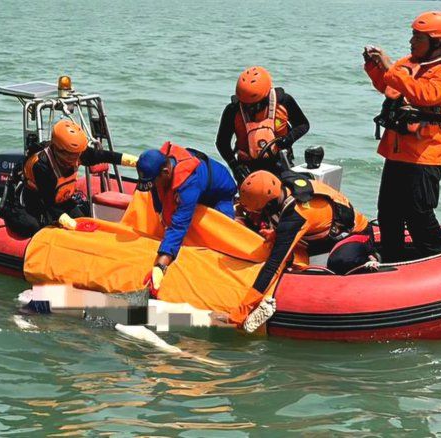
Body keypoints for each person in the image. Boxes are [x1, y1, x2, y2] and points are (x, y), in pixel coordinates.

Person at [363, 11, 441, 262]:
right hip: (397, 150)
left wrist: (390, 67)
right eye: (412, 35)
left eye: (417, 37)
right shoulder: (409, 62)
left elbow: (425, 95)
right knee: (388, 210)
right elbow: (390, 87)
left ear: (437, 41)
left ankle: (439, 259)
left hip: (424, 154)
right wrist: (375, 67)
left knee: (418, 211)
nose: (411, 41)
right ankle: (392, 256)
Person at [233, 171, 372, 332]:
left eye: (259, 211)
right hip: (320, 232)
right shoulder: (283, 186)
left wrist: (245, 307)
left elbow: (274, 265)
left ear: (270, 204)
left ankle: (367, 258)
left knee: (339, 262)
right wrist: (277, 234)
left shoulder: (296, 216)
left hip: (356, 234)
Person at [137, 141, 237, 294]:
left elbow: (178, 227)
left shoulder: (189, 184)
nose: (153, 186)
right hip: (197, 187)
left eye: (154, 182)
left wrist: (160, 266)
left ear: (165, 172)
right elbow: (157, 199)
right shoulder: (159, 171)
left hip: (220, 193)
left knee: (221, 240)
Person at [8, 119, 138, 237]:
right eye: (71, 155)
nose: (76, 160)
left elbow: (104, 155)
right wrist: (70, 224)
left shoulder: (77, 153)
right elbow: (49, 204)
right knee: (36, 227)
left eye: (78, 154)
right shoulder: (42, 166)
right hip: (37, 200)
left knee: (82, 218)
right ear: (58, 150)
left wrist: (135, 162)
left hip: (63, 198)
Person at [215, 66, 310, 183]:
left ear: (266, 96)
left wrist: (288, 139)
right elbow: (222, 143)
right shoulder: (233, 110)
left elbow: (303, 124)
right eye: (245, 104)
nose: (250, 108)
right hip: (247, 167)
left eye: (254, 105)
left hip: (279, 161)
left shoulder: (284, 101)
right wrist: (235, 166)